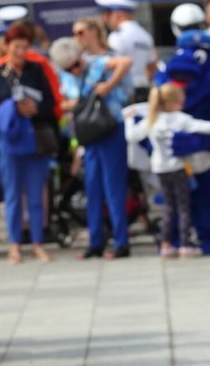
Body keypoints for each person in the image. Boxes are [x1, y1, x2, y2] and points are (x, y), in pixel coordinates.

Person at [50, 19, 133, 260]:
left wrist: (108, 85)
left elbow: (125, 63)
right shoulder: (66, 76)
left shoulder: (98, 64)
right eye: (69, 68)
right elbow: (63, 104)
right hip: (87, 135)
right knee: (92, 188)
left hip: (109, 129)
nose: (74, 70)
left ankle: (121, 241)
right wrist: (83, 101)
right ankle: (96, 241)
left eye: (76, 64)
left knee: (114, 187)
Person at [0, 24, 56, 264]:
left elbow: (51, 103)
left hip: (34, 138)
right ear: (7, 46)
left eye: (25, 47)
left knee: (35, 195)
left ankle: (37, 243)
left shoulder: (36, 69)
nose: (21, 51)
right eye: (17, 47)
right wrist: (9, 109)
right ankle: (15, 245)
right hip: (10, 141)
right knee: (13, 196)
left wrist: (35, 109)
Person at [124, 84, 210, 258]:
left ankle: (166, 244)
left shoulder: (152, 119)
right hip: (177, 168)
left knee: (168, 207)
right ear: (175, 102)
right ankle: (184, 243)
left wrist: (130, 119)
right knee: (183, 206)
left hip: (160, 169)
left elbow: (132, 136)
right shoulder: (179, 119)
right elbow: (203, 126)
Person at [95, 0, 157, 103]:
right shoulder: (145, 35)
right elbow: (152, 67)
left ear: (117, 15)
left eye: (108, 15)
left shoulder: (117, 36)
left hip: (125, 91)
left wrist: (108, 86)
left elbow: (113, 65)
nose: (106, 20)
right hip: (144, 88)